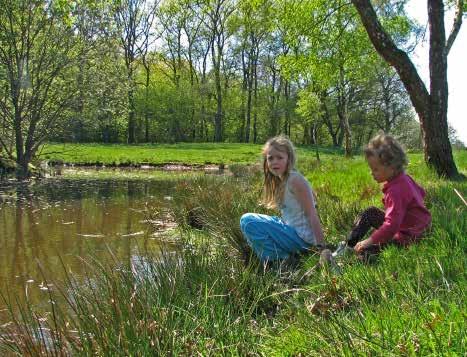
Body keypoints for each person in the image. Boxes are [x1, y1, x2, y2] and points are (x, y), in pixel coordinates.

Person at [337, 133, 432, 262]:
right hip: (416, 228)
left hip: (408, 237)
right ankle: (348, 246)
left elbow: (391, 226)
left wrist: (369, 241)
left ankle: (345, 265)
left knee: (366, 250)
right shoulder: (404, 178)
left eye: (375, 169)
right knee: (370, 212)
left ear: (391, 166)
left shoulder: (395, 191)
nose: (371, 173)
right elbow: (421, 193)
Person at [240, 136, 326, 262]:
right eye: (270, 158)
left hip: (302, 239)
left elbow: (312, 214)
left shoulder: (295, 180)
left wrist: (322, 248)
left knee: (248, 220)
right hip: (291, 231)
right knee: (247, 222)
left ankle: (281, 260)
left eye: (280, 157)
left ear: (288, 159)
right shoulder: (281, 180)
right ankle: (280, 257)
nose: (274, 162)